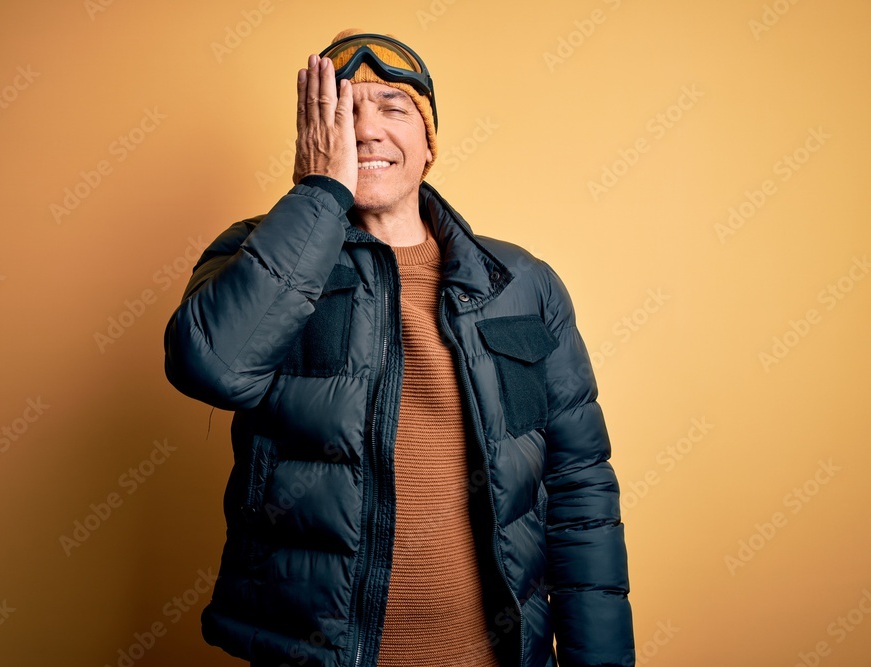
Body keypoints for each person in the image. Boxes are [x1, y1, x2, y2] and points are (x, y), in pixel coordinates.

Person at [163, 28, 634, 667]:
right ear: (313, 135)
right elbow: (213, 368)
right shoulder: (256, 254)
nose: (366, 130)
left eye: (392, 107)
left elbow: (581, 491)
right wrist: (318, 196)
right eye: (342, 110)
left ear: (428, 141)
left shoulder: (521, 284)